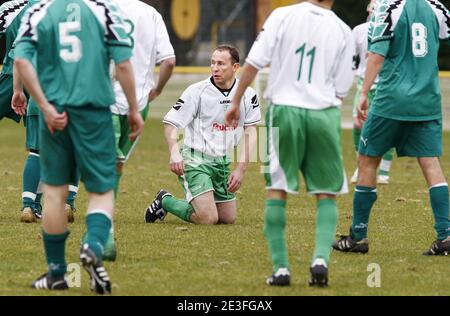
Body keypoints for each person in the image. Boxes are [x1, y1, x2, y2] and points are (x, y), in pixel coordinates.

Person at [14, 0, 143, 294]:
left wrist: (44, 104)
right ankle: (93, 245)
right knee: (101, 190)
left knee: (54, 193)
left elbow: (21, 61)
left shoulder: (39, 10)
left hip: (54, 113)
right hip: (94, 112)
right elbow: (123, 63)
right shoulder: (106, 10)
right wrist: (134, 109)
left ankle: (57, 273)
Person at [226, 0, 354, 287]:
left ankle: (281, 268)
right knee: (327, 193)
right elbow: (343, 88)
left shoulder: (282, 16)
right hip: (324, 113)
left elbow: (253, 63)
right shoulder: (343, 30)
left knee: (277, 189)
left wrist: (235, 101)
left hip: (284, 110)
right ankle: (320, 260)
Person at [333, 0, 450, 256]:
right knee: (431, 164)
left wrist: (363, 92)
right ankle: (446, 235)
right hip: (427, 100)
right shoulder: (437, 7)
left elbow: (376, 55)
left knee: (367, 161)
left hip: (391, 100)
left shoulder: (387, 8)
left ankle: (358, 236)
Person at [145, 45, 261, 226]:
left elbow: (251, 130)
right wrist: (174, 153)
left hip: (221, 162)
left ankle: (200, 201)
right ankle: (165, 200)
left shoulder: (248, 95)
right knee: (208, 219)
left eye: (221, 64)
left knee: (227, 219)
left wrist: (240, 169)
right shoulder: (196, 91)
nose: (215, 68)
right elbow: (170, 123)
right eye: (213, 63)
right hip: (195, 160)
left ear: (235, 67)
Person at [96, 0, 175, 261]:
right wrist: (158, 89)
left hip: (101, 99)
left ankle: (102, 233)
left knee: (99, 166)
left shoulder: (100, 8)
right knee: (115, 166)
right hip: (137, 103)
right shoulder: (150, 13)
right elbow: (170, 61)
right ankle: (103, 231)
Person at [350, 0, 394, 185]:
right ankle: (361, 166)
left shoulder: (393, 28)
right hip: (364, 83)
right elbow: (353, 57)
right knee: (358, 125)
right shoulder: (359, 30)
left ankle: (384, 171)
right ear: (368, 10)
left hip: (385, 83)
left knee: (387, 126)